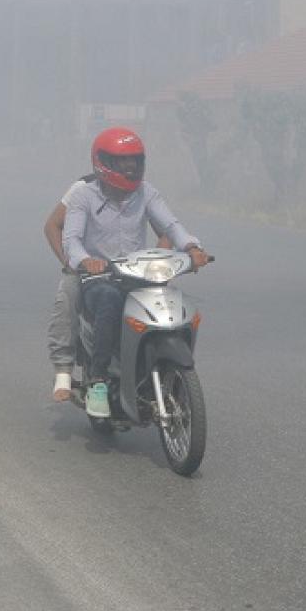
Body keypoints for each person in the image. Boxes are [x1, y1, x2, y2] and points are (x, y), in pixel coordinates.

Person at [59, 127, 209, 412]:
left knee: (173, 303)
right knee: (109, 299)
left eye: (136, 161)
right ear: (103, 163)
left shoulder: (146, 193)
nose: (131, 168)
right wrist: (85, 261)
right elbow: (71, 241)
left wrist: (191, 247)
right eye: (123, 161)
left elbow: (171, 225)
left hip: (138, 276)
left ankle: (168, 371)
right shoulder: (84, 197)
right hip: (99, 279)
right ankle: (99, 382)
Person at [43, 175, 170, 401]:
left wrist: (158, 259)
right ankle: (65, 370)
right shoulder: (82, 190)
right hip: (92, 271)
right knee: (68, 295)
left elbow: (166, 232)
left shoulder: (140, 191)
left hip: (133, 272)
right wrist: (72, 262)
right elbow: (53, 225)